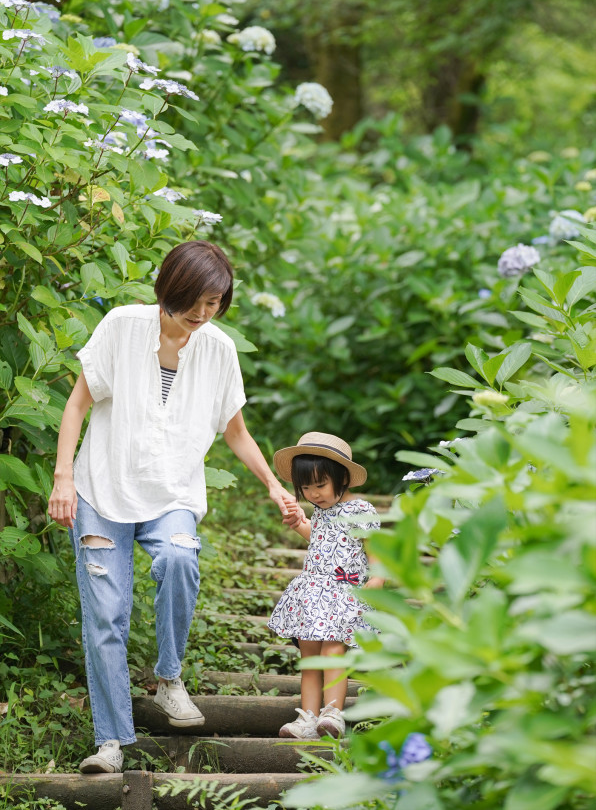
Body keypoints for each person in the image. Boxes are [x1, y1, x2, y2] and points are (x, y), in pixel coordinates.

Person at [48, 240, 301, 774]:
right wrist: (63, 477)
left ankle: (169, 679)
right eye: (195, 299)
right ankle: (111, 742)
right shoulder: (120, 325)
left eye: (215, 302)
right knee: (105, 616)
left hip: (173, 495)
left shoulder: (218, 349)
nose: (203, 313)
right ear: (169, 286)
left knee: (181, 558)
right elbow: (77, 403)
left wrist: (273, 486)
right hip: (101, 489)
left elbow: (236, 430)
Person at [268, 431, 384, 740]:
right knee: (309, 654)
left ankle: (332, 712)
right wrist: (299, 524)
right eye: (306, 488)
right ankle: (307, 717)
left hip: (343, 594)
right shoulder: (320, 512)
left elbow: (376, 550)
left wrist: (378, 577)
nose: (314, 494)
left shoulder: (360, 510)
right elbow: (320, 541)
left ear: (341, 477)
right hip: (313, 593)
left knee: (333, 649)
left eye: (320, 485)